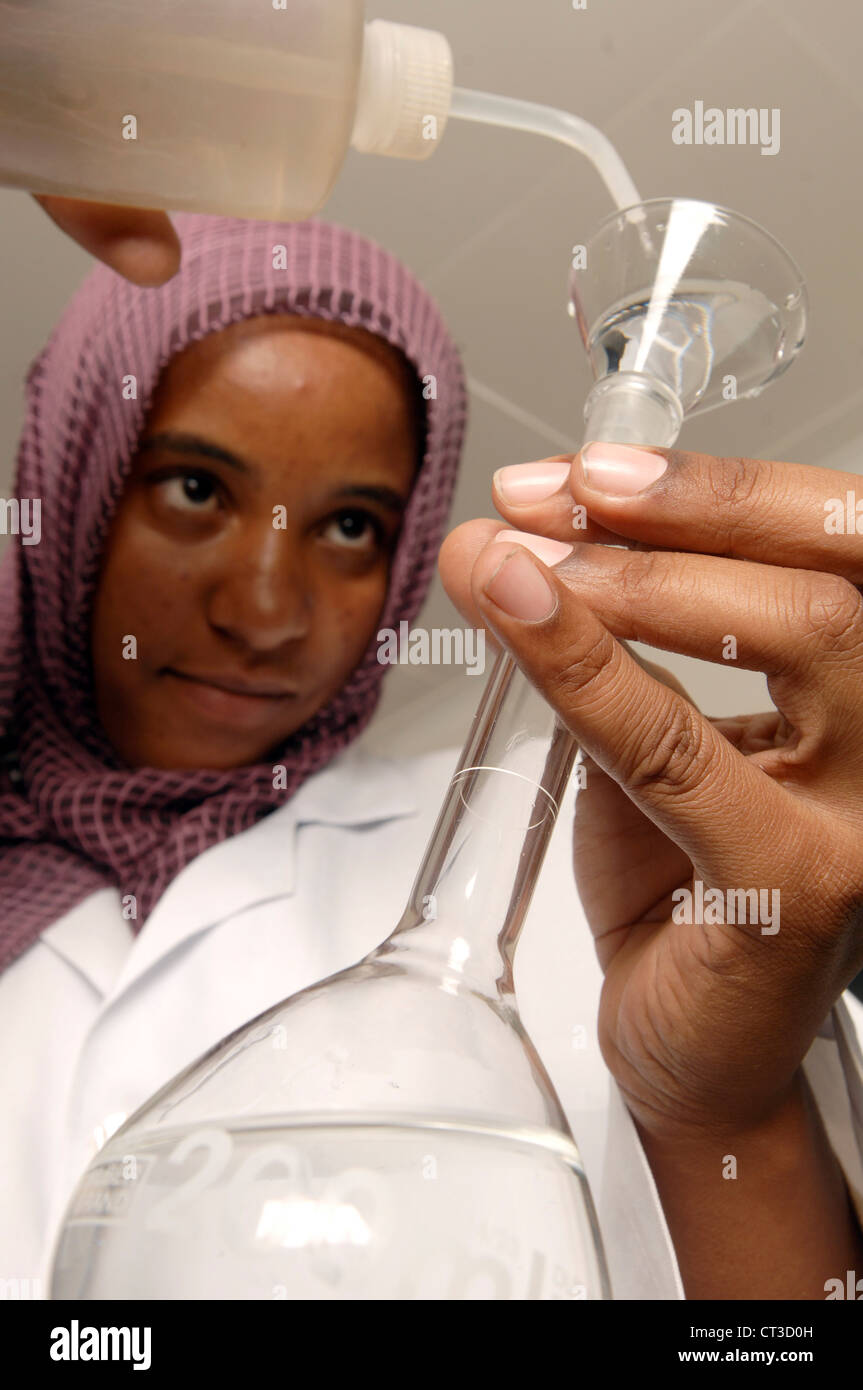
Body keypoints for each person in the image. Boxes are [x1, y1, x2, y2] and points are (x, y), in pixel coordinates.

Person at [1, 199, 862, 1301]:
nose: (263, 610)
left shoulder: (617, 887)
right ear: (73, 478)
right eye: (197, 488)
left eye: (350, 524)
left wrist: (724, 1113)